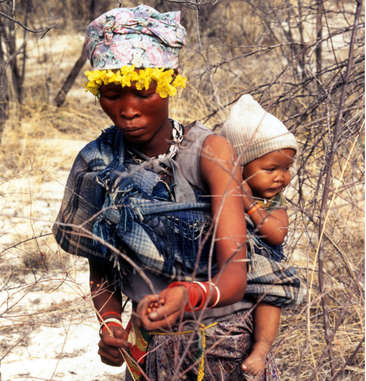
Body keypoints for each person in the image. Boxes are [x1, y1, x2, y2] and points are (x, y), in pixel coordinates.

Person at [52, 5, 282, 381]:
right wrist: (110, 323)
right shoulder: (96, 163)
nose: (128, 110)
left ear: (169, 81)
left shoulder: (210, 152)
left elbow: (235, 276)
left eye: (143, 93)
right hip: (148, 354)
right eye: (112, 94)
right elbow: (101, 266)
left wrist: (188, 295)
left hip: (223, 349)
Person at [222, 94, 304, 377]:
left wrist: (251, 205)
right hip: (232, 264)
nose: (281, 177)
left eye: (286, 168)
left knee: (270, 299)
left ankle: (261, 349)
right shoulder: (221, 191)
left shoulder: (271, 200)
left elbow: (277, 233)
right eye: (270, 169)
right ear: (239, 167)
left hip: (265, 264)